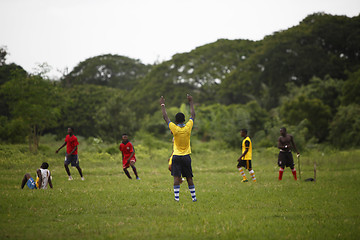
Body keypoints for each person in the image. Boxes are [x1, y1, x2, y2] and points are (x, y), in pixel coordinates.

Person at [160, 94, 196, 202]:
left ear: (175, 121)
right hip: (186, 157)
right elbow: (193, 115)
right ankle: (194, 198)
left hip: (176, 156)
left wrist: (162, 104)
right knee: (189, 178)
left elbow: (165, 117)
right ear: (185, 120)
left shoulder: (174, 129)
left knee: (176, 177)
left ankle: (177, 199)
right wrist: (191, 102)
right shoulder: (188, 127)